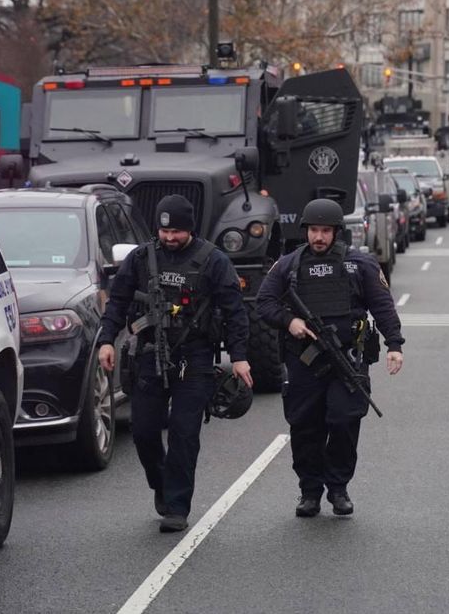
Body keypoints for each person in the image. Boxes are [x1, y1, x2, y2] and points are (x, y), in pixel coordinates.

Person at [96, 195, 251, 533]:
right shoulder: (140, 258)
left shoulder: (213, 261)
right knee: (144, 432)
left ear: (190, 229)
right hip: (150, 354)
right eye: (164, 231)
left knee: (184, 433)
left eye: (177, 232)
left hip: (194, 357)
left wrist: (239, 357)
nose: (169, 238)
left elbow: (236, 311)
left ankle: (177, 506)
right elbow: (118, 301)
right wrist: (107, 340)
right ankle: (161, 484)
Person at [256, 198, 404, 518]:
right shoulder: (288, 265)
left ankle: (338, 487)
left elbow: (382, 305)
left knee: (343, 421)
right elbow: (264, 303)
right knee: (305, 426)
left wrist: (395, 344)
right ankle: (310, 491)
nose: (318, 237)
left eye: (325, 231)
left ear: (337, 233)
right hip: (304, 361)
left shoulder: (360, 264)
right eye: (313, 231)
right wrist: (289, 321)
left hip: (348, 358)